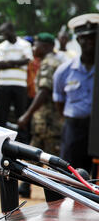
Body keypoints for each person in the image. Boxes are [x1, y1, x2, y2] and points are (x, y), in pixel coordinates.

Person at [17, 33, 63, 198]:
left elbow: (44, 91)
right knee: (34, 153)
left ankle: (56, 193)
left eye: (35, 45)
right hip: (46, 121)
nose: (33, 49)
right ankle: (25, 186)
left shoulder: (49, 63)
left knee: (50, 158)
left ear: (45, 46)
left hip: (49, 120)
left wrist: (27, 115)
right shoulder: (54, 60)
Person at [53, 13, 99, 173]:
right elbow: (59, 101)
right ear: (78, 40)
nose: (90, 42)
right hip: (75, 128)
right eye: (85, 38)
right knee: (70, 175)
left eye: (93, 37)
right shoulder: (64, 71)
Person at [0, 22, 33, 142]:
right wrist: (17, 62)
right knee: (2, 114)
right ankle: (0, 141)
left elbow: (27, 60)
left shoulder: (25, 44)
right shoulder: (1, 46)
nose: (3, 36)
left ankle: (23, 142)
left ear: (11, 30)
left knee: (20, 114)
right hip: (4, 85)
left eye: (5, 33)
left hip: (20, 85)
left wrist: (8, 62)